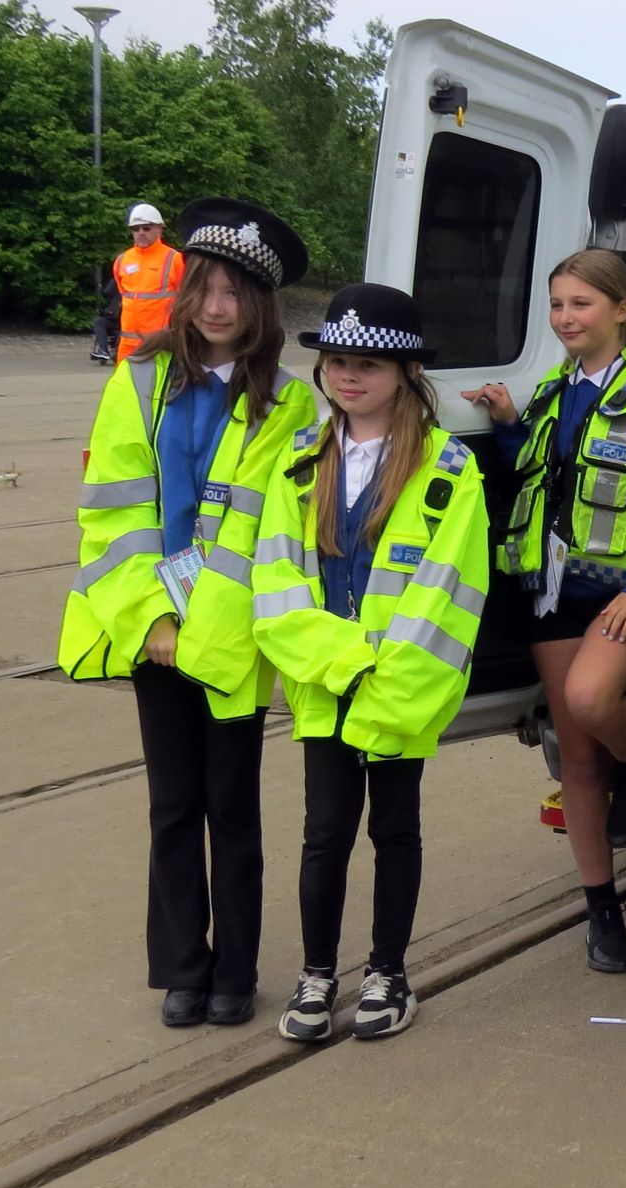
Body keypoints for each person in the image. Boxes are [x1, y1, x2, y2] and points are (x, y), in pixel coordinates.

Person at [60, 198, 316, 1028]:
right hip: (153, 632)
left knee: (232, 806)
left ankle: (235, 970)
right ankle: (181, 967)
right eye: (204, 287)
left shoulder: (288, 403)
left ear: (260, 304)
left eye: (235, 292)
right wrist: (152, 620)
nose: (216, 306)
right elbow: (114, 511)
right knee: (172, 805)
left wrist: (205, 625)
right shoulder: (138, 380)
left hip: (232, 637)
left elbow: (269, 531)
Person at [252, 284, 490, 1042]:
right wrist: (342, 663)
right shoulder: (299, 462)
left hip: (400, 688)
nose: (348, 376)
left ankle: (389, 972)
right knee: (324, 831)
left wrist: (382, 677)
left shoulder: (448, 469)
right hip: (327, 685)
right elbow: (275, 582)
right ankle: (317, 974)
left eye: (369, 364)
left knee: (394, 828)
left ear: (407, 372)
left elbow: (446, 589)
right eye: (337, 361)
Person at [462, 249, 626, 974]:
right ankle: (602, 909)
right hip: (551, 594)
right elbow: (537, 478)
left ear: (622, 310)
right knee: (578, 756)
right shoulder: (549, 395)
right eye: (558, 304)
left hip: (623, 595)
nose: (565, 318)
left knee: (593, 699)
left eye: (581, 304)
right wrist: (508, 426)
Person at [112, 203, 186, 363]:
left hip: (161, 344)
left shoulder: (175, 259)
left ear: (160, 228)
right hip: (128, 344)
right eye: (135, 229)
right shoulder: (122, 260)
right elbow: (124, 294)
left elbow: (187, 299)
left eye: (146, 228)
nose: (141, 232)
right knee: (124, 380)